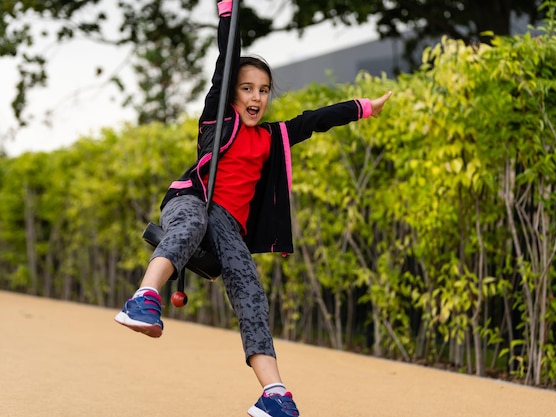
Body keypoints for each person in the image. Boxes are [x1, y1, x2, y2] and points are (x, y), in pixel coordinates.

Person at [114, 1, 392, 416]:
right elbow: (227, 60)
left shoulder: (271, 137)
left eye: (263, 90)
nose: (256, 96)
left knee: (251, 293)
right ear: (233, 94)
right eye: (247, 88)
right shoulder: (217, 122)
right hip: (192, 200)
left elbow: (314, 120)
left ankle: (274, 393)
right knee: (191, 223)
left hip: (228, 224)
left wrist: (363, 107)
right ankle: (144, 297)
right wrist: (228, 11)